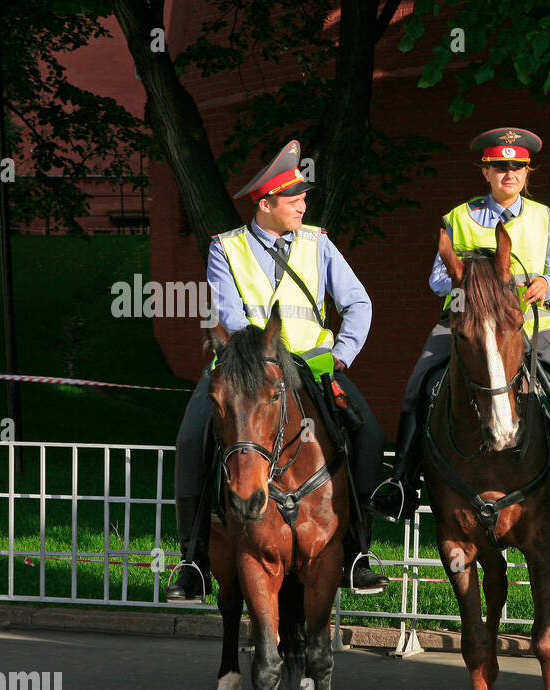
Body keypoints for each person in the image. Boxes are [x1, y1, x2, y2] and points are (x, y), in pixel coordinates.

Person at [166, 140, 391, 602]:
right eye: (293, 200)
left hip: (313, 367)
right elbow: (231, 317)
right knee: (191, 440)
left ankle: (357, 552)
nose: (302, 206)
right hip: (248, 374)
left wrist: (342, 354)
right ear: (265, 204)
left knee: (367, 432)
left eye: (303, 198)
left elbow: (358, 303)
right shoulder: (226, 248)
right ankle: (192, 560)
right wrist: (267, 363)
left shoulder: (318, 243)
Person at [377, 127, 550, 520]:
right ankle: (403, 481)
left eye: (517, 167)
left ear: (526, 173)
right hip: (468, 315)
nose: (510, 173)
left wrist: (546, 283)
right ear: (485, 172)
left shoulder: (544, 217)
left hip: (528, 320)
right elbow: (437, 278)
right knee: (420, 379)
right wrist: (470, 278)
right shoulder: (458, 216)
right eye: (500, 167)